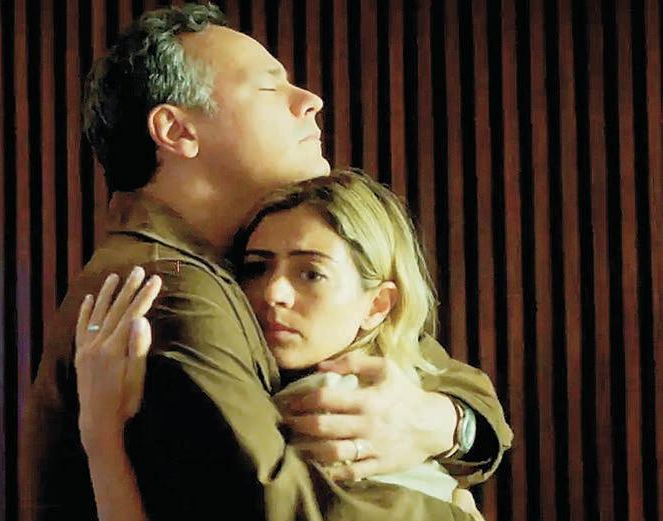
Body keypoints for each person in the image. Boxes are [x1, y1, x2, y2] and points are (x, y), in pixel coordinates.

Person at [25, 4, 512, 520]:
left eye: (310, 272)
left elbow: (436, 369)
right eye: (268, 87)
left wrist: (444, 424)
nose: (310, 100)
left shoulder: (236, 259)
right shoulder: (167, 287)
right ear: (177, 130)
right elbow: (273, 507)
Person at [75, 170, 490, 520]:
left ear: (378, 305)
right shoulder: (393, 376)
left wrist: (104, 439)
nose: (274, 293)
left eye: (311, 274)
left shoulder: (328, 407)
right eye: (257, 268)